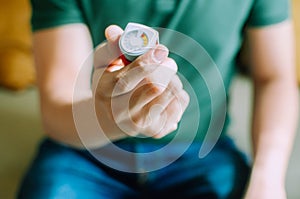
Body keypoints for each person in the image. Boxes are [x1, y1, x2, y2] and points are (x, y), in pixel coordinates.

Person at [17, 0, 298, 198]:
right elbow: (57, 106)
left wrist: (268, 180)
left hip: (203, 152)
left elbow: (274, 77)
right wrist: (110, 117)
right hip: (85, 155)